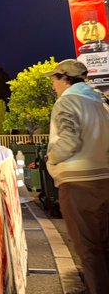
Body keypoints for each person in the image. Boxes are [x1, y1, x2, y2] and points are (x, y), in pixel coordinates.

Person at [44, 59, 109, 294]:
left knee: (90, 251)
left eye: (54, 78)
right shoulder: (100, 102)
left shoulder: (67, 102)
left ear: (65, 78)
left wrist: (50, 158)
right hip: (104, 178)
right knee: (104, 247)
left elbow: (69, 141)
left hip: (77, 183)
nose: (53, 84)